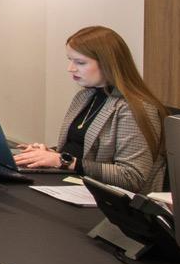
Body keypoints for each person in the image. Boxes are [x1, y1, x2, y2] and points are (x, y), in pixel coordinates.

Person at [13, 26, 168, 193]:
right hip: (76, 185)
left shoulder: (134, 108)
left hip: (111, 201)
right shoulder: (85, 96)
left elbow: (131, 176)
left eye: (80, 62)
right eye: (70, 60)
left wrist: (63, 161)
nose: (71, 68)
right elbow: (80, 152)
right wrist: (48, 154)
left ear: (108, 63)